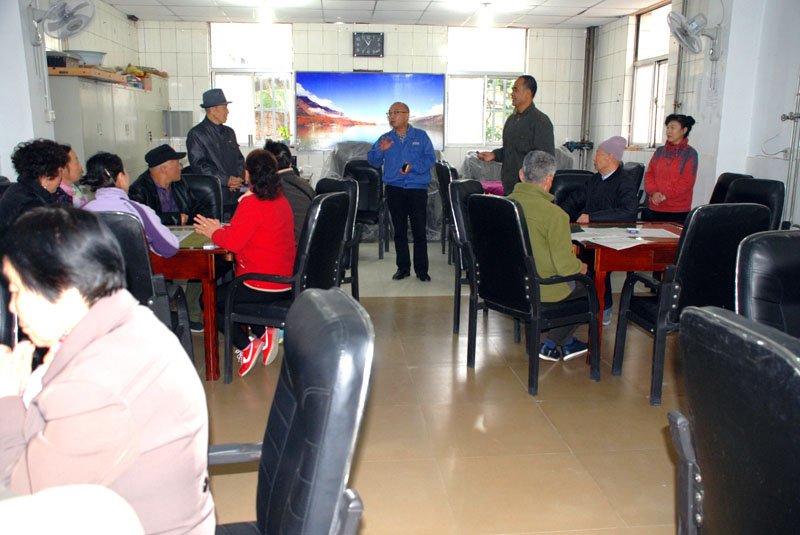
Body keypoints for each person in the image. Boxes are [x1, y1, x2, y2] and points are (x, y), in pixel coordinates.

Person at [0, 206, 215, 534]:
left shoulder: (93, 387)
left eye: (17, 291)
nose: (12, 307)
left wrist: (7, 401)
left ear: (64, 288)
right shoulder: (130, 320)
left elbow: (21, 492)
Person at [194, 150, 296, 377]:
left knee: (209, 299)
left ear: (247, 174)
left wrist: (213, 231)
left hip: (260, 283)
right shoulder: (280, 200)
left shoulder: (251, 203)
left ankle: (245, 345)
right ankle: (263, 332)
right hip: (286, 281)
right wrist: (221, 229)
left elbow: (233, 243)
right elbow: (247, 232)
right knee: (231, 291)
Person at [508, 151, 590, 361]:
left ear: (521, 174)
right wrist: (580, 266)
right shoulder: (555, 215)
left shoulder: (503, 205)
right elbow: (565, 267)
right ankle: (550, 344)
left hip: (510, 287)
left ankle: (567, 343)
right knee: (589, 288)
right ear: (549, 180)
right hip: (542, 288)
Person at [560, 135, 639, 325]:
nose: (594, 158)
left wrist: (593, 217)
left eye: (598, 154)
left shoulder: (625, 181)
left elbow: (628, 212)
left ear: (610, 157)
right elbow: (575, 200)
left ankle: (604, 309)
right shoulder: (595, 179)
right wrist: (558, 214)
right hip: (590, 234)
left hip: (612, 236)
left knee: (597, 268)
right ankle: (583, 306)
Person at [367, 101, 436, 282]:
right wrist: (380, 151)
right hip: (395, 189)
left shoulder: (421, 136)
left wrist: (412, 167)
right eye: (389, 113)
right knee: (399, 231)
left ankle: (422, 270)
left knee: (419, 230)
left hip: (417, 189)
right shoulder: (385, 139)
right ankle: (403, 268)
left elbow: (430, 159)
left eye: (395, 112)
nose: (391, 117)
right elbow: (372, 161)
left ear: (407, 115)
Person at [82, 151, 178, 258]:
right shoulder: (138, 212)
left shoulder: (79, 213)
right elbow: (170, 248)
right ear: (120, 178)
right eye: (125, 172)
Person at [476, 75, 555, 195]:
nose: (511, 93)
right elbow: (510, 150)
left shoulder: (540, 122)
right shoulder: (511, 120)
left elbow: (545, 160)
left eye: (515, 89)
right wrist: (494, 155)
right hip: (509, 188)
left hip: (529, 191)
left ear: (528, 93)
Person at [186, 88, 245, 220]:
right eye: (224, 108)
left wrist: (238, 178)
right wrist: (226, 180)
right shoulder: (197, 134)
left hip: (234, 194)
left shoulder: (229, 132)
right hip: (213, 197)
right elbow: (198, 166)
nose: (227, 112)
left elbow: (239, 159)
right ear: (213, 109)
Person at [0, 139, 67, 233]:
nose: (61, 177)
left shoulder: (17, 189)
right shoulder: (33, 206)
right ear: (47, 175)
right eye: (60, 171)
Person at [642, 114, 698, 224]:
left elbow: (686, 182)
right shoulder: (659, 151)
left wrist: (665, 195)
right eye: (667, 128)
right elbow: (649, 174)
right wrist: (654, 193)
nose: (668, 131)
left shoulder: (690, 154)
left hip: (677, 210)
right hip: (655, 206)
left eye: (673, 127)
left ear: (684, 130)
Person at [129, 144, 199, 226]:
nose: (180, 167)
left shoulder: (179, 183)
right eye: (178, 164)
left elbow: (197, 208)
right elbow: (140, 219)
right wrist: (174, 219)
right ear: (164, 169)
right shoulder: (139, 190)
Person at [264, 139, 315, 242]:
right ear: (290, 163)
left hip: (288, 246)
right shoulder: (305, 184)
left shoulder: (270, 189)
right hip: (311, 243)